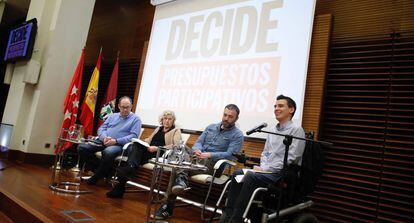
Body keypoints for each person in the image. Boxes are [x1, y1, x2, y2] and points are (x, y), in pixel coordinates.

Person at [220, 95, 306, 223]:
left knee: (250, 176)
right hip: (267, 170)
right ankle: (228, 215)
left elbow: (291, 159)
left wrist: (266, 168)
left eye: (280, 106)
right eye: (275, 106)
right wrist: (263, 166)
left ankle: (236, 220)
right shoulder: (272, 129)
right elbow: (265, 152)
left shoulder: (297, 130)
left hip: (280, 174)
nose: (276, 108)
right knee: (237, 173)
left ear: (291, 109)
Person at [154, 104, 244, 220]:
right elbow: (199, 142)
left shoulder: (237, 135)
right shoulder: (211, 127)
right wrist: (197, 149)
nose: (226, 118)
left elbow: (231, 155)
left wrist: (210, 154)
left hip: (213, 164)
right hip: (196, 158)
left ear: (236, 118)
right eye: (225, 115)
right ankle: (181, 180)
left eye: (230, 116)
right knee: (181, 148)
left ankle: (167, 206)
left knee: (176, 167)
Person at [106, 110, 182, 198]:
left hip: (159, 154)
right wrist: (141, 142)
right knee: (136, 146)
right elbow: (148, 140)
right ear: (162, 119)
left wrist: (157, 148)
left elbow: (176, 145)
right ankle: (128, 171)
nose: (167, 121)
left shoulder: (176, 130)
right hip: (149, 150)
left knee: (132, 160)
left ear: (173, 121)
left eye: (170, 119)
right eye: (165, 118)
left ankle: (123, 181)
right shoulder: (158, 128)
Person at [78, 96, 141, 185]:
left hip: (119, 145)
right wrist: (104, 138)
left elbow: (133, 136)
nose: (125, 110)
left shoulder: (136, 119)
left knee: (108, 152)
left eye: (128, 107)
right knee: (82, 148)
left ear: (131, 106)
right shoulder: (112, 116)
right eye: (123, 107)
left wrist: (116, 140)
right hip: (104, 141)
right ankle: (104, 171)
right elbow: (101, 129)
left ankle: (97, 176)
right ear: (119, 106)